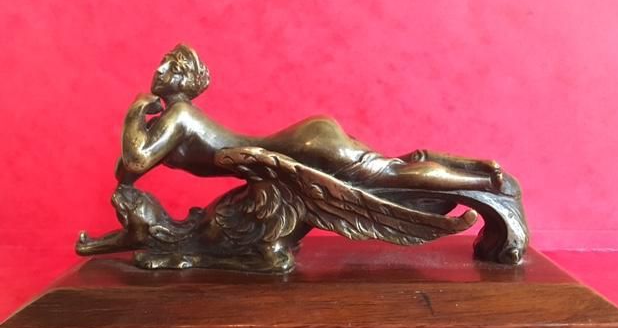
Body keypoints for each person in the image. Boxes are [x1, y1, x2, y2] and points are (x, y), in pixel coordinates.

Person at [116, 44, 506, 195]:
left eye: (171, 67)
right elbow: (127, 171)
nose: (160, 70)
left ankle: (483, 182)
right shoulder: (169, 122)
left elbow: (136, 160)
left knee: (388, 176)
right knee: (391, 166)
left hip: (306, 146)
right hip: (308, 138)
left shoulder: (181, 115)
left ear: (185, 82)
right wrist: (140, 126)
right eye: (163, 63)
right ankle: (472, 166)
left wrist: (135, 110)